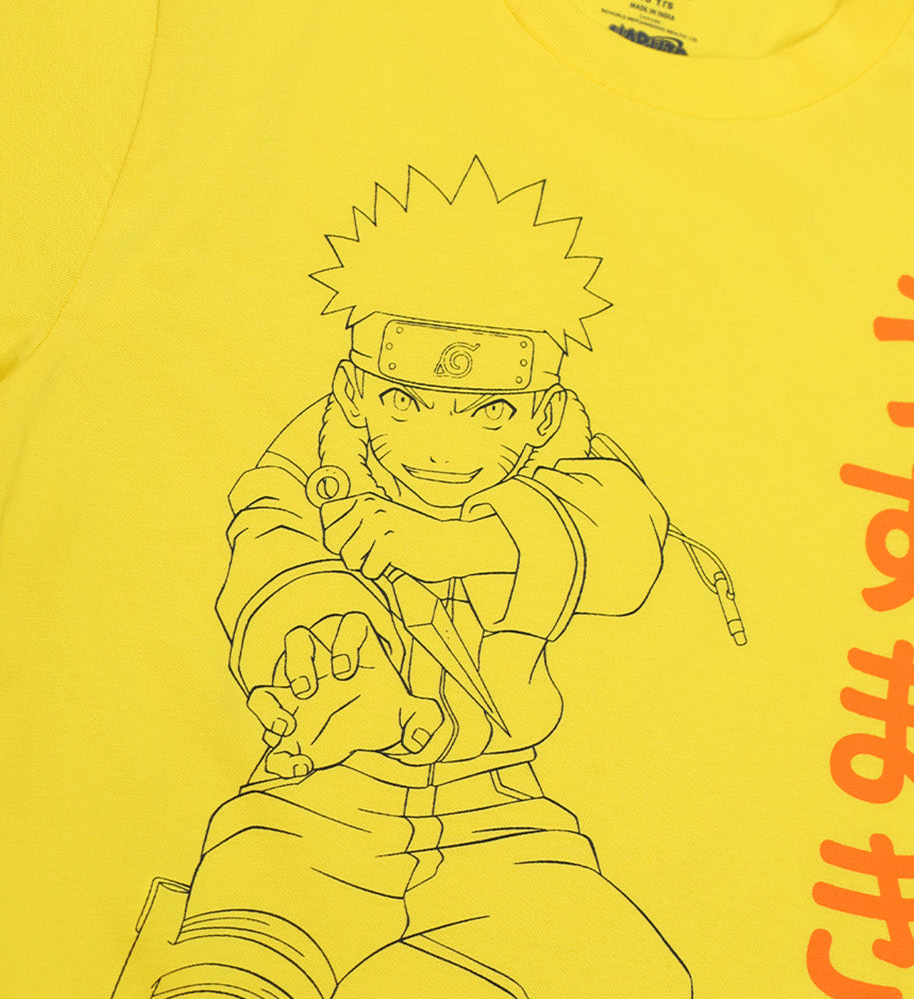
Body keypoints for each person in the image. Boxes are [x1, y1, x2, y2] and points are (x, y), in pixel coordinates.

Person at [112, 157, 694, 999]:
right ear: (353, 391)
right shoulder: (302, 466)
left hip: (502, 819)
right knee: (236, 965)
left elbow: (626, 540)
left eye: (489, 411)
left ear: (542, 413)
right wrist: (332, 654)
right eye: (405, 402)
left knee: (629, 973)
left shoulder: (576, 463)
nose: (440, 444)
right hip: (308, 806)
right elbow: (270, 551)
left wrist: (461, 542)